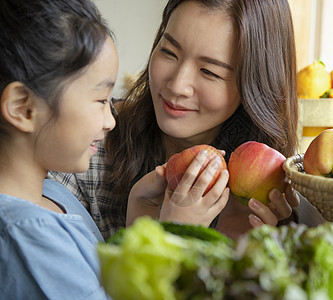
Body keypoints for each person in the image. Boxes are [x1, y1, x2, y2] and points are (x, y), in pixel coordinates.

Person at [50, 0, 300, 240]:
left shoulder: (277, 183)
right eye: (169, 52)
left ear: (255, 87)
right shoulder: (88, 144)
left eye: (209, 72)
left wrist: (238, 254)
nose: (177, 85)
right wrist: (172, 235)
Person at [0, 0, 121, 298]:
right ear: (23, 108)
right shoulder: (28, 234)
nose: (111, 121)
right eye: (101, 100)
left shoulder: (53, 194)